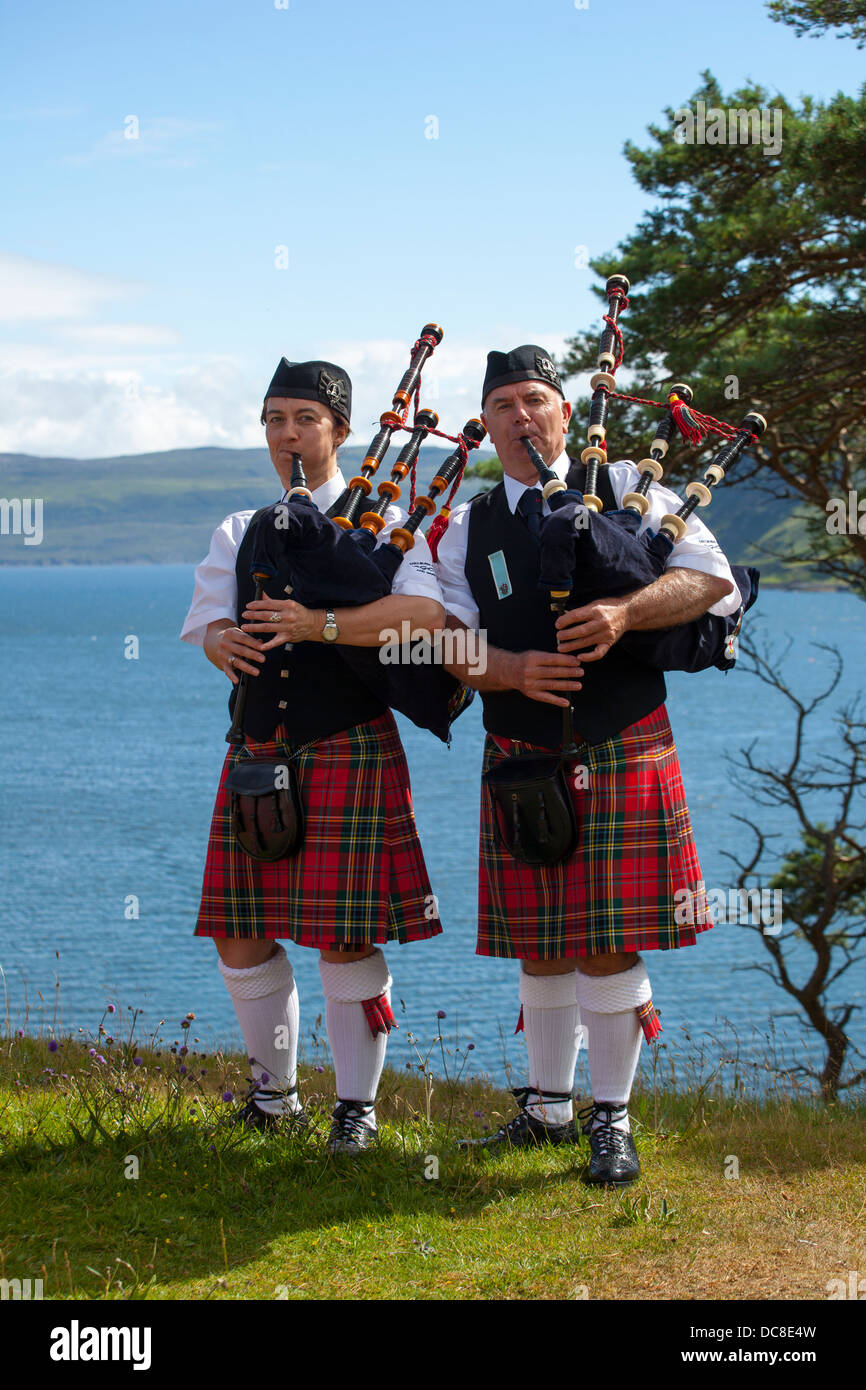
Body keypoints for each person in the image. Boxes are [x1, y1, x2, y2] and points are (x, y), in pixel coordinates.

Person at [434, 345, 741, 1185]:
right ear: (487, 422)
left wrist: (623, 611)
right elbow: (438, 633)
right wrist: (508, 670)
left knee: (606, 944)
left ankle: (613, 1120)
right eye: (503, 403)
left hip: (621, 742)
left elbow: (713, 581)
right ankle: (547, 1109)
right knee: (538, 944)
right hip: (521, 751)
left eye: (536, 399)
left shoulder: (637, 496)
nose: (522, 415)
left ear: (565, 414)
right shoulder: (470, 525)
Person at [180, 357, 446, 1154]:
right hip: (258, 748)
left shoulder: (392, 519)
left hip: (349, 745)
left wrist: (319, 624)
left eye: (304, 419)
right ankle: (275, 1098)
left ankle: (355, 1109)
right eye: (274, 420)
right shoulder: (243, 528)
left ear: (340, 431)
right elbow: (208, 626)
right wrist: (225, 643)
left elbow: (424, 614)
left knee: (345, 934)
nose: (287, 435)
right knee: (241, 928)